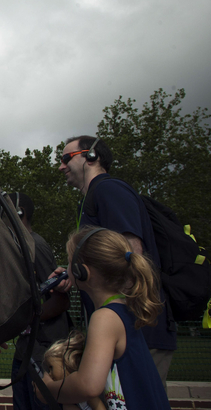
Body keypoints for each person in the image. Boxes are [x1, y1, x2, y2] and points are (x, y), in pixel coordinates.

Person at [58, 135, 176, 389]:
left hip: (137, 329)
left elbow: (131, 251)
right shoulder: (94, 197)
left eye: (66, 158)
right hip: (123, 329)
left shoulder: (108, 189)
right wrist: (73, 272)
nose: (61, 166)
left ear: (92, 157)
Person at [35, 227, 171, 409]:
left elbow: (88, 386)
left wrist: (48, 389)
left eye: (69, 262)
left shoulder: (104, 318)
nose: (65, 269)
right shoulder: (121, 307)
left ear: (81, 271)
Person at [5, 193, 71, 410]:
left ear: (19, 212)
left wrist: (24, 319)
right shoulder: (20, 247)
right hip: (26, 350)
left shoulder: (36, 245)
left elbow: (60, 301)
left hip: (44, 352)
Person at [43, 331, 106, 410]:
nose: (49, 374)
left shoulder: (87, 393)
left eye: (51, 368)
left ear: (68, 363)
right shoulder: (66, 399)